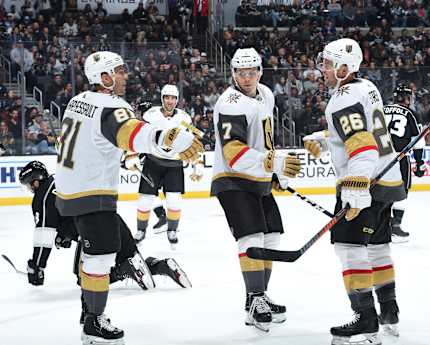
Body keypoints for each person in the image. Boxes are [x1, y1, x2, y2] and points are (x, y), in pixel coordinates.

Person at [54, 51, 203, 345]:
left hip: (68, 189)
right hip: (91, 192)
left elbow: (99, 138)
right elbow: (130, 133)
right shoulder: (112, 105)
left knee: (95, 252)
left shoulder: (77, 100)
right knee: (101, 257)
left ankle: (89, 314)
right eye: (119, 71)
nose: (125, 75)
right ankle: (93, 323)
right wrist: (165, 138)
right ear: (104, 78)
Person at [303, 38, 407, 345]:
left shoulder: (342, 98)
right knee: (377, 247)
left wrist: (355, 186)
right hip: (386, 180)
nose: (322, 68)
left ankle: (365, 319)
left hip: (366, 181)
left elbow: (362, 145)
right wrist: (327, 139)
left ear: (343, 67)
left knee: (349, 248)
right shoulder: (366, 87)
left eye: (326, 63)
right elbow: (359, 131)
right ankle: (389, 311)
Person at [211, 47, 301, 332]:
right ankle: (256, 299)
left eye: (252, 71)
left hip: (258, 176)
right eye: (241, 72)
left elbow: (265, 139)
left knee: (272, 235)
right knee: (251, 236)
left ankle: (258, 296)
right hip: (232, 178)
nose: (247, 77)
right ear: (233, 73)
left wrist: (273, 172)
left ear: (260, 71)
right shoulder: (230, 103)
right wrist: (270, 162)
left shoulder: (266, 94)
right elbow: (233, 151)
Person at [20, 160, 192, 292]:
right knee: (131, 258)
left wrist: (37, 266)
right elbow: (70, 212)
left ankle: (124, 270)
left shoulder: (42, 196)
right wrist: (65, 234)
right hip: (113, 219)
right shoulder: (65, 179)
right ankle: (162, 266)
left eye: (29, 184)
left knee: (85, 279)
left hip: (91, 230)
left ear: (35, 181)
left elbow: (43, 236)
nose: (30, 189)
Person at [131, 84, 204, 248]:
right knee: (144, 200)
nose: (170, 101)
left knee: (174, 201)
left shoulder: (185, 119)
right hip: (153, 162)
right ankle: (141, 231)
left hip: (174, 165)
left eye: (173, 98)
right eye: (167, 97)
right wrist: (132, 154)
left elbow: (193, 141)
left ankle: (172, 230)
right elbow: (138, 135)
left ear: (177, 100)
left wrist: (197, 163)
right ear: (162, 98)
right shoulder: (150, 115)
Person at [384, 84, 426, 242]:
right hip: (400, 158)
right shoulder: (412, 114)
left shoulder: (382, 110)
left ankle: (380, 228)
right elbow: (418, 142)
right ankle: (394, 228)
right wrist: (420, 162)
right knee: (401, 193)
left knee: (380, 192)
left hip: (379, 158)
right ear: (406, 98)